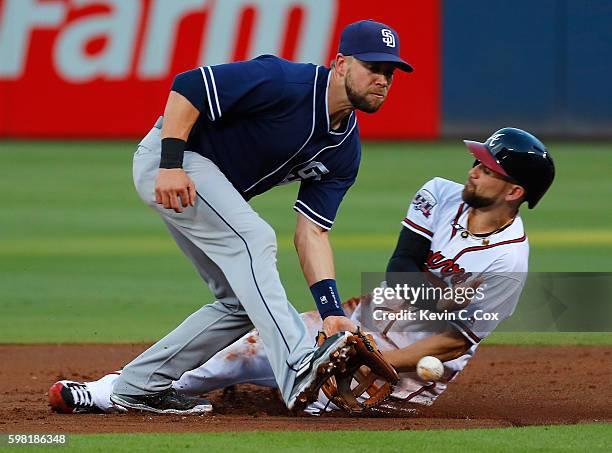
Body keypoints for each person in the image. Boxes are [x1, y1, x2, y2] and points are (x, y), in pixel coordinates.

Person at [49, 127, 555, 414]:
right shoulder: (441, 192)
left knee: (317, 406)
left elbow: (453, 341)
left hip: (411, 367)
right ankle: (112, 391)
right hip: (373, 318)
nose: (475, 168)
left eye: (490, 169)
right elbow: (402, 263)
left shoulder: (506, 261)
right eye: (479, 161)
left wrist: (380, 358)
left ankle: (266, 387)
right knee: (245, 346)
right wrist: (357, 333)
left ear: (514, 192)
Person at [87, 19, 414, 414]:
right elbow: (188, 85)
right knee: (255, 238)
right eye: (373, 67)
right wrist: (170, 163)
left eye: (389, 73)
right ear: (341, 63)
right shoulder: (284, 81)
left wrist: (331, 314)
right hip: (175, 159)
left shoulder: (344, 151)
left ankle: (138, 386)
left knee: (241, 303)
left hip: (206, 185)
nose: (382, 79)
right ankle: (298, 368)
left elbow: (312, 233)